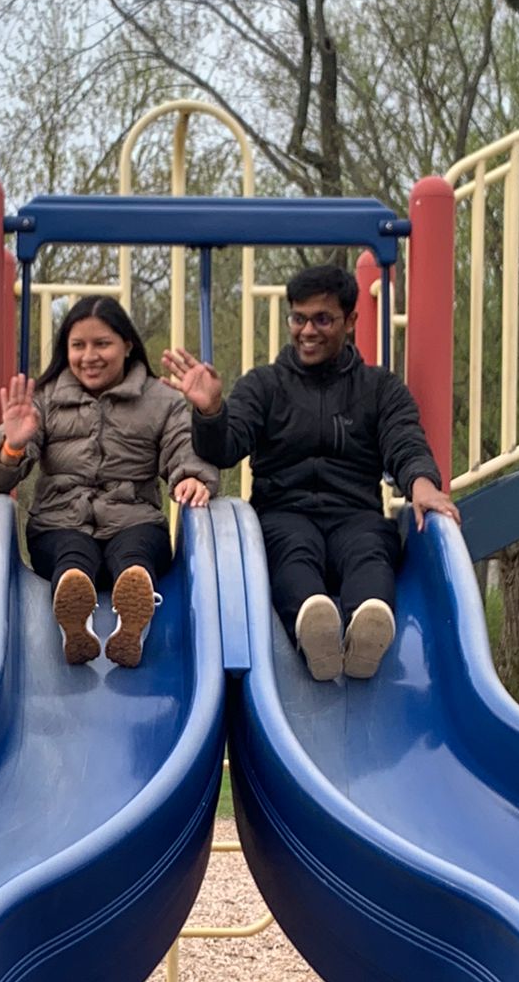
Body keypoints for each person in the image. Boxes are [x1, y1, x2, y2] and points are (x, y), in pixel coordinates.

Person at [162, 264, 459, 681]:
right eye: (298, 318)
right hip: (284, 512)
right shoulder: (264, 386)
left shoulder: (379, 389)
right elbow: (224, 449)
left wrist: (422, 485)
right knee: (291, 551)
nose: (307, 330)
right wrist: (210, 411)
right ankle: (312, 625)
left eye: (323, 319)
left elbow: (403, 441)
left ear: (351, 321)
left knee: (372, 549)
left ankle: (368, 627)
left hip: (354, 512)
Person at [0, 295, 218, 667]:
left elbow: (183, 446)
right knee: (72, 558)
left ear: (127, 345)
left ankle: (132, 629)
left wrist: (194, 477)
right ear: (65, 349)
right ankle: (75, 623)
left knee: (136, 556)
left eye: (102, 343)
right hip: (60, 522)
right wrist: (12, 446)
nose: (90, 356)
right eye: (78, 345)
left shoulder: (161, 400)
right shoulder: (46, 401)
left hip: (134, 519)